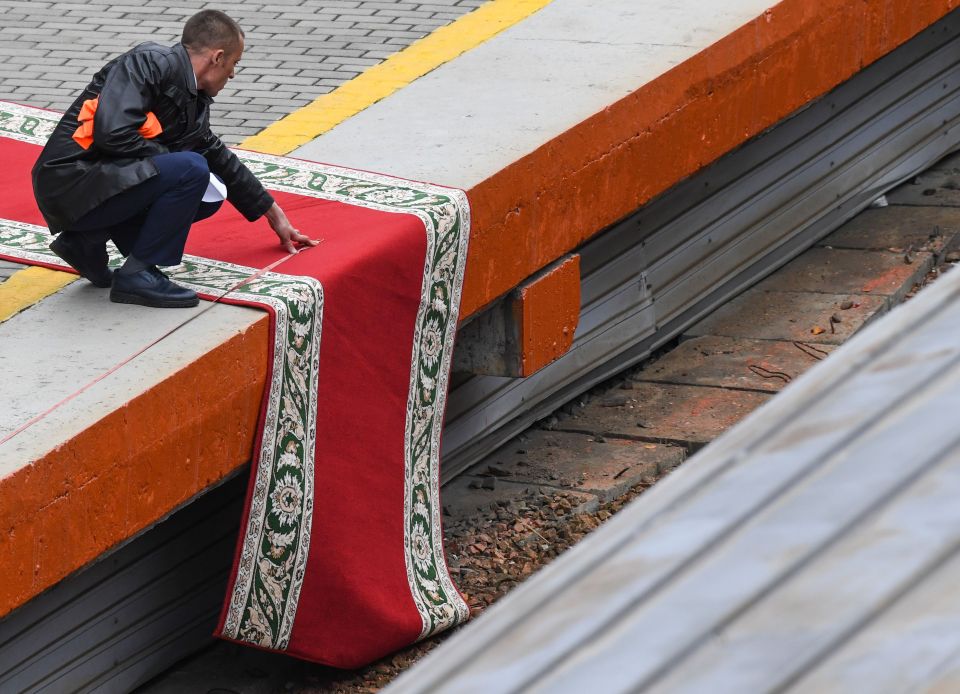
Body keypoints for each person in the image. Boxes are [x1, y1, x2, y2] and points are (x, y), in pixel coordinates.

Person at [31, 9, 316, 308]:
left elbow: (216, 154)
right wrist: (172, 162)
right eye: (235, 64)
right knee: (190, 170)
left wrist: (274, 215)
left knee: (210, 190)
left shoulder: (194, 97)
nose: (233, 73)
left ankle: (85, 240)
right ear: (218, 58)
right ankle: (137, 273)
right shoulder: (148, 62)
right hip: (68, 181)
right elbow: (112, 132)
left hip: (98, 186)